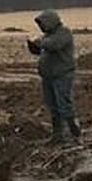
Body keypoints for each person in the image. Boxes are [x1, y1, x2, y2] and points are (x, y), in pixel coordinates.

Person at [27, 9, 79, 143]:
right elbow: (43, 50)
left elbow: (53, 45)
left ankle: (74, 131)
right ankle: (58, 135)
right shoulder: (48, 36)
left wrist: (40, 43)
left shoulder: (64, 33)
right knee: (53, 106)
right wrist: (33, 47)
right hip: (49, 76)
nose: (41, 27)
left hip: (62, 75)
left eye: (42, 24)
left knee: (64, 104)